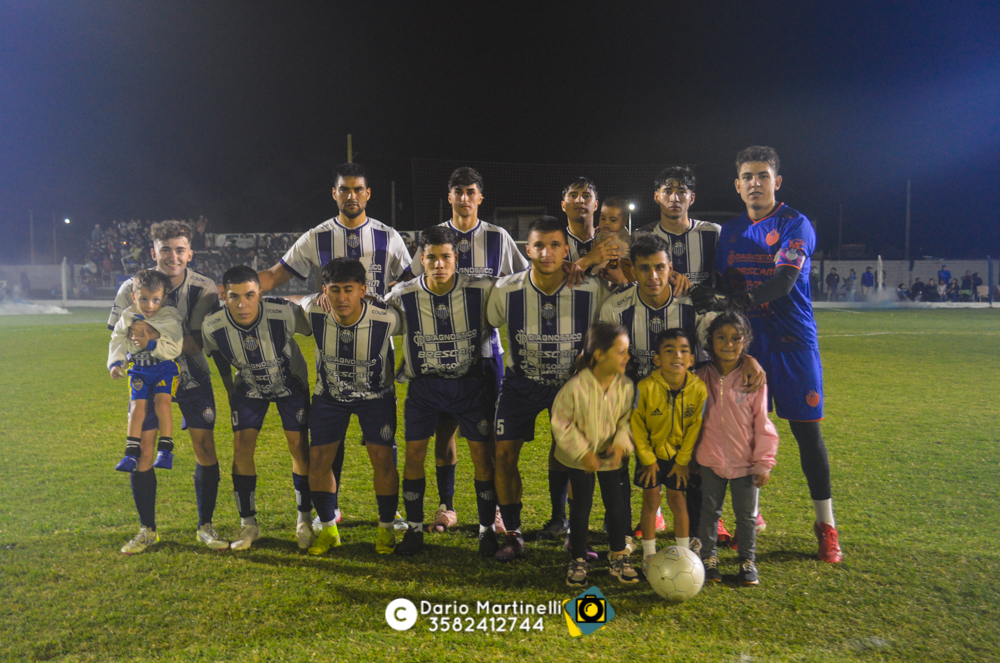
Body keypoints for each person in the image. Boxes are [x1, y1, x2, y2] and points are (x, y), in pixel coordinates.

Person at [693, 145, 843, 563]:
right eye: (747, 176)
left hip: (793, 345)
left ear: (776, 182)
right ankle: (750, 520)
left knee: (807, 435)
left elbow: (784, 281)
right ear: (737, 185)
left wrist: (736, 300)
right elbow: (723, 285)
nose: (755, 183)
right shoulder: (729, 233)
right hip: (745, 349)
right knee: (742, 434)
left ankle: (826, 525)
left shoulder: (795, 223)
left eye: (762, 176)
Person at [258, 162, 411, 525]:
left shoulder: (388, 236)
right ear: (334, 193)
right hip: (330, 344)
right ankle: (331, 509)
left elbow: (411, 282)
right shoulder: (317, 236)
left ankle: (390, 511)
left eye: (358, 189)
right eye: (345, 189)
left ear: (367, 194)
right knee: (329, 435)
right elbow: (275, 276)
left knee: (382, 440)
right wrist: (235, 291)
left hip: (376, 349)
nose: (351, 195)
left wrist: (387, 305)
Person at [405, 167, 527, 536]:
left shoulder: (498, 237)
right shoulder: (434, 239)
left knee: (487, 437)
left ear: (480, 197)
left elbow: (523, 280)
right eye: (457, 191)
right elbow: (413, 281)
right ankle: (447, 506)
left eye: (470, 191)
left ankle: (495, 512)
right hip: (441, 358)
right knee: (444, 432)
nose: (463, 198)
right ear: (449, 197)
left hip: (486, 355)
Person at [486, 216, 611, 561]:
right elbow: (490, 322)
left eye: (555, 245)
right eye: (539, 245)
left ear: (566, 250)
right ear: (528, 249)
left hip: (570, 387)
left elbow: (611, 326)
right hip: (520, 384)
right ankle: (513, 534)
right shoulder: (506, 290)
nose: (546, 253)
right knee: (503, 455)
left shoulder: (591, 289)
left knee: (575, 458)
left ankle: (574, 533)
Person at [108, 220, 227, 553]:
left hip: (192, 378)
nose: (173, 257)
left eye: (179, 250)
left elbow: (198, 343)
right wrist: (134, 348)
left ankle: (206, 526)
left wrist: (150, 335)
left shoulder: (204, 288)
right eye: (165, 250)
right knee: (144, 451)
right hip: (147, 378)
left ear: (189, 253)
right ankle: (147, 530)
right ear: (154, 252)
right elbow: (120, 334)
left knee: (205, 448)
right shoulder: (130, 287)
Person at [387, 225, 500, 557]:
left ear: (456, 258)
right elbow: (370, 312)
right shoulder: (403, 294)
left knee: (482, 458)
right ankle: (415, 530)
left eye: (446, 257)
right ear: (421, 259)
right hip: (425, 388)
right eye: (432, 257)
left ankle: (486, 531)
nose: (439, 264)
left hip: (470, 386)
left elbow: (519, 291)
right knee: (414, 456)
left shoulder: (481, 289)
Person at [201, 266, 315, 551]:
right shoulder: (212, 325)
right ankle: (248, 523)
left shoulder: (283, 313)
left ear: (260, 295)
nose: (242, 304)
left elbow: (315, 326)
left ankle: (304, 520)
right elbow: (217, 355)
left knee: (298, 445)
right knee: (241, 446)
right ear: (224, 297)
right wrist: (229, 388)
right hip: (249, 384)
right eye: (234, 296)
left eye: (249, 295)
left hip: (290, 383)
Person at [297, 258, 402, 556]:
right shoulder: (314, 310)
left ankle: (386, 529)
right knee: (319, 461)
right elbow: (298, 301)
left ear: (362, 290)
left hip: (376, 397)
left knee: (383, 460)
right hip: (330, 397)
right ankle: (329, 531)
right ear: (324, 291)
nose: (342, 298)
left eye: (349, 290)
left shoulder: (386, 318)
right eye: (334, 290)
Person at [551, 322, 638, 587]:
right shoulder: (575, 387)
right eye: (621, 352)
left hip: (611, 459)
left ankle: (619, 556)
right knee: (581, 506)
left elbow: (628, 421)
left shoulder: (626, 386)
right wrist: (583, 453)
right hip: (580, 461)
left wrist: (621, 445)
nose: (627, 357)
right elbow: (561, 423)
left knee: (616, 505)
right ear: (599, 354)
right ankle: (578, 558)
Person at [696, 311, 779, 586]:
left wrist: (763, 462)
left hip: (745, 462)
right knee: (709, 512)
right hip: (710, 460)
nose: (728, 344)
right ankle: (709, 559)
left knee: (746, 516)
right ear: (710, 340)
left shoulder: (752, 378)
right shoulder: (700, 377)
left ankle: (747, 561)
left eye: (735, 338)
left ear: (745, 341)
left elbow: (762, 423)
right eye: (721, 337)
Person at [631, 328, 707, 571]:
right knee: (651, 500)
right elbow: (637, 425)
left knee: (678, 500)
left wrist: (683, 461)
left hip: (678, 458)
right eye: (669, 351)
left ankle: (684, 554)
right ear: (657, 359)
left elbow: (695, 427)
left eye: (684, 351)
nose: (677, 356)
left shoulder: (699, 389)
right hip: (650, 456)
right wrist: (647, 459)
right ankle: (649, 555)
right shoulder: (645, 387)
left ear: (691, 359)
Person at [109, 269, 182, 474]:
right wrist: (116, 362)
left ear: (164, 299)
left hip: (163, 368)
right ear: (134, 297)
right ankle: (130, 453)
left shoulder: (169, 316)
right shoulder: (127, 316)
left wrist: (150, 344)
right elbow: (117, 339)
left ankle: (165, 450)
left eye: (155, 300)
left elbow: (175, 346)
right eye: (144, 299)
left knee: (162, 403)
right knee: (136, 407)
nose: (150, 305)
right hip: (139, 369)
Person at [635, 166, 721, 302]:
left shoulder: (713, 233)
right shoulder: (642, 237)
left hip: (704, 313)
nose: (674, 198)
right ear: (657, 197)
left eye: (681, 192)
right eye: (667, 191)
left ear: (692, 198)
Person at [560, 177, 628, 285]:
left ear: (596, 205)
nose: (579, 200)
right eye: (573, 195)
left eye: (586, 196)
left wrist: (623, 282)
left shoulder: (614, 240)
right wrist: (589, 259)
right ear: (563, 205)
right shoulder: (553, 243)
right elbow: (548, 285)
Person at [591, 197, 633, 273]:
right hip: (612, 263)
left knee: (595, 271)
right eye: (603, 218)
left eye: (613, 220)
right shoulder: (612, 230)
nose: (606, 223)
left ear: (624, 221)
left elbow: (598, 252)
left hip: (616, 265)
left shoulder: (616, 237)